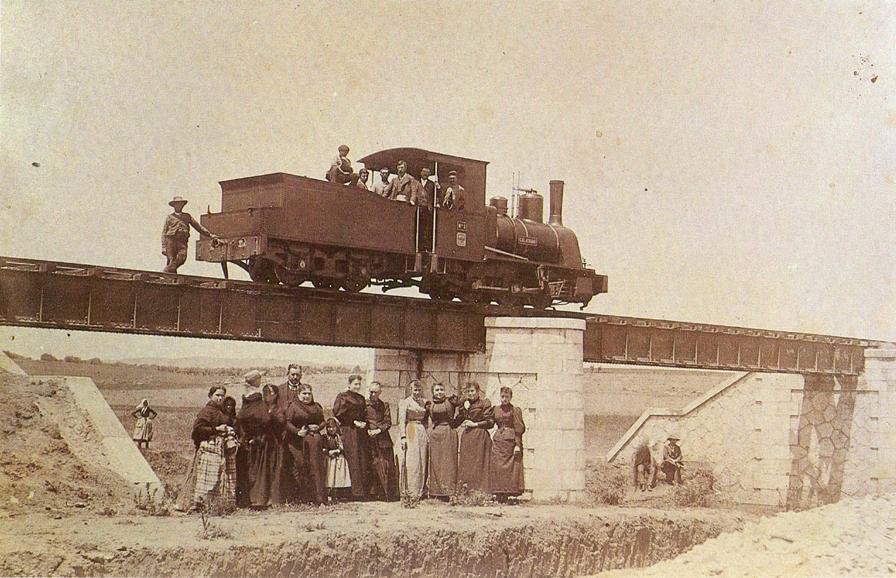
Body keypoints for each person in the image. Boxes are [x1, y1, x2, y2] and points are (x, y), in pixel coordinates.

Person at [177, 386, 237, 512]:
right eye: (217, 395)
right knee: (208, 478)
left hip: (220, 449)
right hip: (210, 447)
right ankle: (201, 504)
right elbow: (198, 430)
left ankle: (216, 505)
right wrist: (216, 430)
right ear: (210, 396)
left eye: (222, 395)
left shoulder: (221, 411)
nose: (220, 398)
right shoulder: (207, 411)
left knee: (219, 476)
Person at [283, 383, 328, 504]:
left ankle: (318, 497)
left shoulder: (316, 406)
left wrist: (318, 427)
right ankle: (304, 497)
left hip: (314, 444)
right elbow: (287, 423)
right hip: (297, 443)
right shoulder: (293, 406)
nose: (307, 396)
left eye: (309, 393)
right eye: (304, 393)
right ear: (298, 394)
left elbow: (323, 421)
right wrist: (298, 432)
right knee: (301, 466)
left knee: (316, 467)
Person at [235, 370, 274, 509]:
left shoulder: (245, 398)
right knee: (259, 470)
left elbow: (241, 418)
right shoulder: (256, 399)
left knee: (249, 469)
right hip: (259, 440)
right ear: (256, 381)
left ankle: (248, 499)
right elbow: (264, 419)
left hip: (248, 439)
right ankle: (258, 499)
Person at [331, 370, 370, 500]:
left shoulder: (361, 398)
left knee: (361, 459)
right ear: (349, 384)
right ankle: (350, 492)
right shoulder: (343, 396)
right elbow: (338, 413)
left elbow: (364, 413)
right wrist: (353, 421)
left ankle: (361, 492)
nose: (357, 387)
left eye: (359, 384)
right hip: (349, 430)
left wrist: (364, 423)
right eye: (355, 384)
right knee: (352, 458)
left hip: (360, 431)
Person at [161, 196, 219, 273]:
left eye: (180, 204)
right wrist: (164, 247)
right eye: (177, 204)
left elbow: (198, 226)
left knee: (182, 258)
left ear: (183, 206)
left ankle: (166, 271)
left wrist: (210, 235)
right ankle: (170, 277)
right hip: (171, 241)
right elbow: (164, 233)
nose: (179, 206)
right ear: (174, 206)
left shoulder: (187, 216)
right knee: (171, 260)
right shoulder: (169, 217)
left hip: (182, 241)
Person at [456, 381, 494, 494]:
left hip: (480, 436)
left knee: (480, 463)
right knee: (467, 463)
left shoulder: (484, 403)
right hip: (467, 437)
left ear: (478, 391)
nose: (471, 394)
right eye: (468, 391)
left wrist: (475, 424)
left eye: (472, 391)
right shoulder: (465, 404)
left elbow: (490, 422)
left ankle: (480, 493)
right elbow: (458, 420)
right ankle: (467, 492)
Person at [489, 387, 526, 502]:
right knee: (497, 466)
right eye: (502, 397)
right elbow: (490, 422)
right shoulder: (495, 409)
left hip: (510, 441)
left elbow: (519, 428)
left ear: (511, 397)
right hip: (498, 440)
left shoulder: (515, 410)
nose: (504, 399)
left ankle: (507, 493)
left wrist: (517, 445)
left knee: (509, 468)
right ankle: (498, 492)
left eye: (507, 397)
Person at [398, 379, 430, 504]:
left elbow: (427, 420)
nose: (417, 392)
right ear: (410, 390)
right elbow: (401, 420)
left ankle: (420, 491)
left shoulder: (424, 402)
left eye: (419, 390)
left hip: (421, 430)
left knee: (422, 459)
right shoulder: (405, 402)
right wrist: (403, 437)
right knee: (412, 460)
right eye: (415, 390)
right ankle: (411, 491)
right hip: (410, 428)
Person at [365, 381, 398, 501]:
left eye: (375, 392)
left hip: (382, 438)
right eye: (371, 392)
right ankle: (371, 494)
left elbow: (388, 422)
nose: (373, 394)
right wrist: (367, 430)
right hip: (368, 439)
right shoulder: (364, 405)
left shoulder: (384, 405)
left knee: (385, 465)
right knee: (370, 465)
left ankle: (385, 494)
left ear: (380, 393)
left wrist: (378, 430)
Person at [427, 382, 460, 500]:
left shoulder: (451, 401)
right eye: (437, 390)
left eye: (441, 389)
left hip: (448, 433)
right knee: (436, 462)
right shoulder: (430, 404)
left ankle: (449, 491)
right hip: (435, 435)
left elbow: (463, 410)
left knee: (449, 462)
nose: (439, 392)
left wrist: (455, 424)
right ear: (433, 392)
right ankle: (435, 492)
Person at [323, 417, 351, 502]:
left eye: (333, 427)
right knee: (330, 477)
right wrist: (328, 452)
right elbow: (323, 448)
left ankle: (340, 494)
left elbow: (343, 447)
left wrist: (338, 450)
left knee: (339, 477)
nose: (331, 429)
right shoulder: (325, 437)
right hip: (330, 459)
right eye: (329, 427)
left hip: (339, 458)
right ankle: (330, 494)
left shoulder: (339, 437)